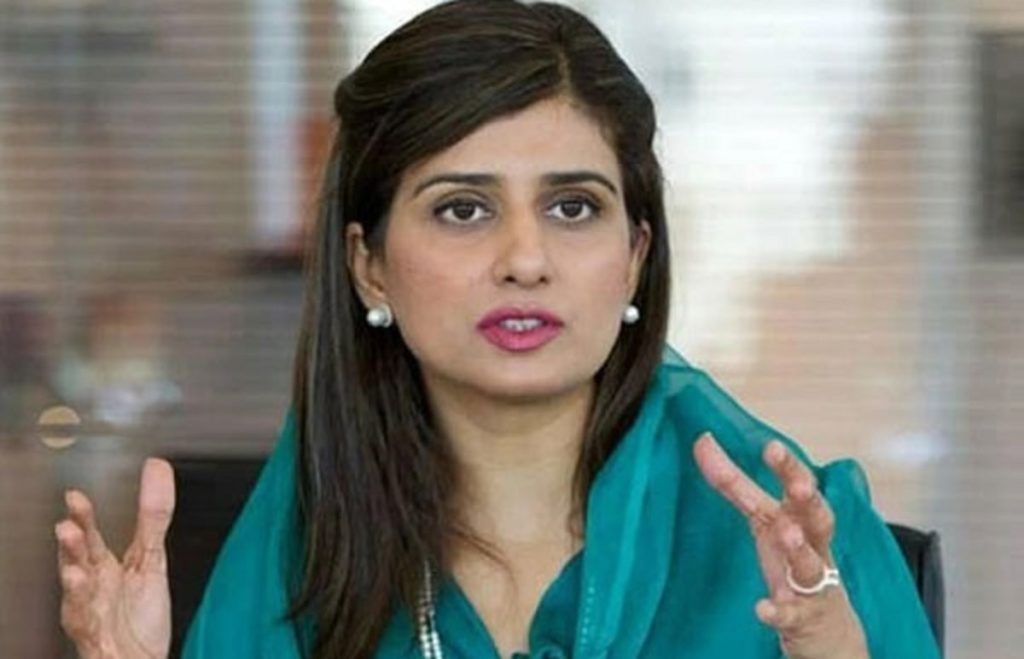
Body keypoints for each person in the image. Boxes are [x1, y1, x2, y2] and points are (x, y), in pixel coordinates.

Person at [54, 1, 941, 658]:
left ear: (635, 256)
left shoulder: (804, 546)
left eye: (573, 206)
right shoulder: (295, 564)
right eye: (464, 209)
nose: (525, 258)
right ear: (369, 265)